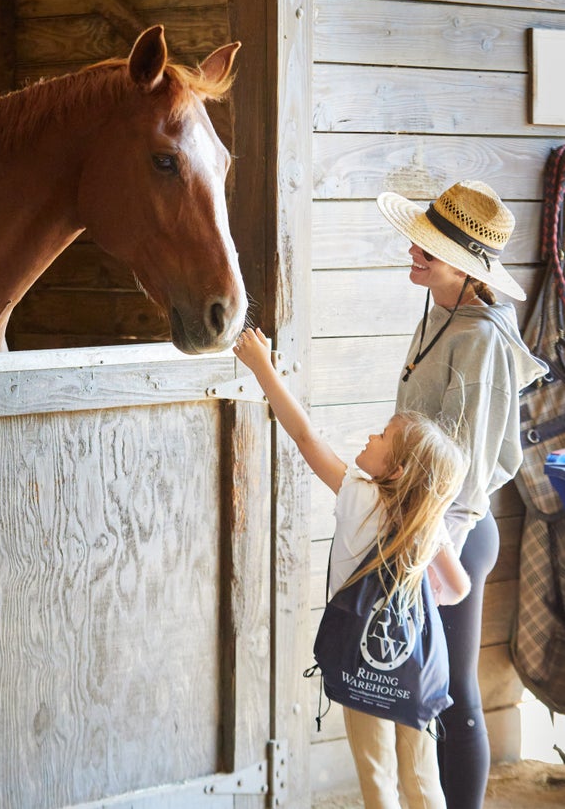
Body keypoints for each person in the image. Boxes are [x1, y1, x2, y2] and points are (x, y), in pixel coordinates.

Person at [234, 326, 471, 809]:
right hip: (414, 665)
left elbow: (304, 434)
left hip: (365, 663)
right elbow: (458, 587)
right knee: (423, 779)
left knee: (376, 775)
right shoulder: (429, 521)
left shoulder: (359, 497)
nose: (371, 434)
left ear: (396, 470)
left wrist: (262, 368)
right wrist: (416, 590)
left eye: (383, 436)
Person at [375, 180, 548, 808]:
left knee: (455, 691)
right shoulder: (445, 314)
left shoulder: (479, 339)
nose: (414, 253)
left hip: (453, 533)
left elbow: (470, 470)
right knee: (437, 685)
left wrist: (430, 546)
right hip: (426, 525)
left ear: (468, 266)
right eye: (418, 240)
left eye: (430, 248)